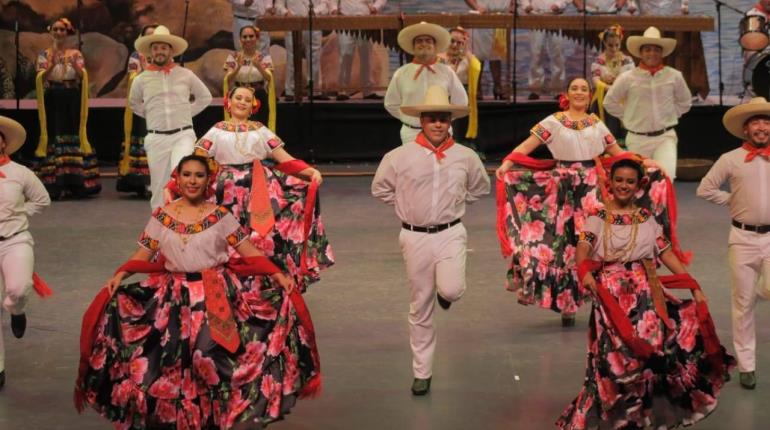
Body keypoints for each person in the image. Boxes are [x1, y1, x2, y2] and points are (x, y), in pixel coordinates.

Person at [76, 155, 321, 428]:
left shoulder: (219, 216)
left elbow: (248, 252)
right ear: (178, 179)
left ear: (208, 181)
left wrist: (277, 274)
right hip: (173, 296)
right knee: (174, 364)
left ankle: (223, 416)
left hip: (214, 293)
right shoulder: (162, 216)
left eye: (199, 175)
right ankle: (192, 421)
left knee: (205, 355)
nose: (192, 181)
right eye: (187, 175)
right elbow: (144, 253)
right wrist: (121, 273)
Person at [557, 158, 734, 429]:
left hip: (645, 296)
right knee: (612, 356)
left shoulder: (647, 218)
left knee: (648, 355)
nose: (623, 186)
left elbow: (665, 253)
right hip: (610, 296)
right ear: (610, 183)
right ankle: (613, 416)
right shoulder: (597, 218)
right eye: (619, 180)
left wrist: (692, 284)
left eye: (629, 181)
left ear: (638, 185)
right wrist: (585, 272)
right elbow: (583, 249)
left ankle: (641, 416)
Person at [495, 77, 681, 327]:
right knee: (562, 242)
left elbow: (617, 153)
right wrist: (508, 162)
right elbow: (529, 144)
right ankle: (566, 301)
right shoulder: (554, 121)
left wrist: (645, 161)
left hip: (591, 187)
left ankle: (607, 295)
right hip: (562, 187)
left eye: (584, 89)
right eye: (575, 88)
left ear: (590, 95)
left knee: (594, 239)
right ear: (567, 94)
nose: (580, 92)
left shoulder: (596, 124)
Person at [372, 85, 490, 396]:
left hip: (451, 231)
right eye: (432, 118)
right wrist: (407, 205)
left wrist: (455, 200)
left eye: (443, 118)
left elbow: (481, 187)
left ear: (450, 122)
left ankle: (446, 292)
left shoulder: (465, 156)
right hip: (414, 235)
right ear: (421, 121)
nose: (438, 124)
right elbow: (380, 188)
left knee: (451, 288)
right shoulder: (400, 156)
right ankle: (422, 372)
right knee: (419, 305)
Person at [193, 86, 334, 291]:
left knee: (262, 236)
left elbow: (284, 159)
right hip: (226, 190)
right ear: (228, 103)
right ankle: (227, 286)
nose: (242, 102)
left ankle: (261, 284)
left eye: (247, 100)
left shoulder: (260, 130)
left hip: (259, 186)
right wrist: (174, 184)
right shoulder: (216, 130)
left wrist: (309, 171)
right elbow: (196, 160)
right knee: (226, 236)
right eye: (238, 98)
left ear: (253, 107)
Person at [697, 97, 770, 390]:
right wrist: (731, 201)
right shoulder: (731, 159)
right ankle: (747, 366)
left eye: (766, 121)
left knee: (766, 289)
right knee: (743, 304)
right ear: (745, 129)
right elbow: (705, 188)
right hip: (742, 238)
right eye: (756, 122)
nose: (762, 127)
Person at [129, 25, 213, 209]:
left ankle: (184, 224)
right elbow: (134, 103)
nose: (160, 51)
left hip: (182, 136)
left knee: (182, 176)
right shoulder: (141, 79)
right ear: (150, 51)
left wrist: (184, 113)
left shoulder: (185, 75)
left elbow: (205, 97)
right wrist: (152, 115)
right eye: (156, 47)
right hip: (156, 137)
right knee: (158, 186)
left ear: (170, 50)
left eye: (164, 47)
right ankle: (159, 230)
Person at [0, 116, 51, 390]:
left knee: (18, 289)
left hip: (15, 240)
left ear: (4, 142)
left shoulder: (20, 172)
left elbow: (42, 200)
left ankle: (16, 310)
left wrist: (22, 212)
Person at [604, 26, 692, 180]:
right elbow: (609, 102)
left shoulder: (674, 76)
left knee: (666, 179)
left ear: (662, 53)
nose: (652, 53)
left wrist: (669, 113)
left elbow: (685, 102)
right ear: (641, 53)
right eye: (648, 49)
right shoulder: (627, 77)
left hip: (665, 137)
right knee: (640, 182)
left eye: (656, 50)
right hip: (637, 138)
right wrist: (628, 115)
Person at [33, 17, 101, 199]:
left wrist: (74, 65)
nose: (58, 33)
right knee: (55, 132)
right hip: (53, 97)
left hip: (72, 97)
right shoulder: (44, 54)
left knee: (74, 132)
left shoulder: (76, 53)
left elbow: (82, 76)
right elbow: (41, 78)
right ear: (50, 31)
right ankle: (55, 183)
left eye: (62, 30)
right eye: (55, 29)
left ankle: (76, 182)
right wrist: (53, 64)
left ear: (67, 32)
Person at [384, 21, 468, 145]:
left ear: (435, 46)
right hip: (411, 134)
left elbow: (461, 102)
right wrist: (410, 119)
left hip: (442, 134)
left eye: (428, 41)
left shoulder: (446, 72)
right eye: (419, 41)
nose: (424, 44)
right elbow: (391, 104)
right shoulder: (401, 73)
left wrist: (443, 121)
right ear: (413, 47)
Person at [117, 24, 157, 198]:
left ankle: (157, 180)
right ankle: (141, 181)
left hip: (159, 106)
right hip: (142, 106)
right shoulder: (136, 56)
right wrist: (146, 70)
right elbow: (132, 78)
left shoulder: (164, 56)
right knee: (142, 139)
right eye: (148, 35)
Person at [276, 0, 332, 101]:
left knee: (314, 56)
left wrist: (315, 11)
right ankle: (290, 90)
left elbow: (325, 3)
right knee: (292, 55)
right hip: (293, 23)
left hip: (313, 21)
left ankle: (315, 90)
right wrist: (285, 12)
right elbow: (278, 5)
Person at [332, 0, 387, 101]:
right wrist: (334, 9)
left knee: (366, 56)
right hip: (345, 18)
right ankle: (343, 90)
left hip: (365, 18)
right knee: (345, 54)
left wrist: (376, 6)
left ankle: (368, 90)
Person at [224, 25, 276, 130]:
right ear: (240, 39)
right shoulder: (234, 57)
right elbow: (227, 79)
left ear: (256, 38)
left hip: (258, 96)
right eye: (244, 37)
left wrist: (259, 66)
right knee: (239, 128)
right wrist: (238, 67)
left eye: (251, 36)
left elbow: (269, 78)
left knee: (259, 129)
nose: (248, 39)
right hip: (238, 97)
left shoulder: (264, 57)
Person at [589, 24, 634, 138]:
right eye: (610, 45)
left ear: (620, 42)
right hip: (604, 97)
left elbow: (632, 79)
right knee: (608, 129)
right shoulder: (599, 61)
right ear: (604, 43)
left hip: (623, 97)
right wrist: (607, 86)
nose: (614, 48)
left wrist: (620, 82)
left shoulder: (627, 60)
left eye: (617, 45)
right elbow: (595, 80)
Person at [464, 0, 514, 100]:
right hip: (481, 16)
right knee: (478, 55)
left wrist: (512, 6)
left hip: (501, 16)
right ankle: (477, 89)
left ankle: (497, 87)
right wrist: (477, 7)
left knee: (497, 55)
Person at [439, 27, 482, 142]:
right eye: (452, 41)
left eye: (459, 43)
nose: (454, 45)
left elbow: (476, 67)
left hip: (462, 98)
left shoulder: (467, 59)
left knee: (460, 127)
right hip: (443, 97)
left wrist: (466, 48)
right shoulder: (439, 59)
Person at [518, 0, 568, 100]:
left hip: (555, 16)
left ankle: (558, 89)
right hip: (536, 16)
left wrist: (558, 4)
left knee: (557, 53)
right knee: (536, 53)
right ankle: (535, 89)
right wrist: (526, 5)